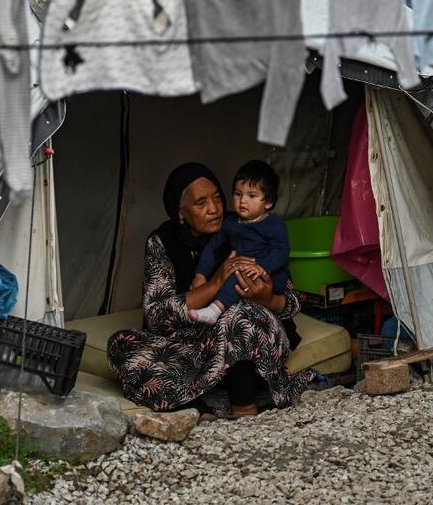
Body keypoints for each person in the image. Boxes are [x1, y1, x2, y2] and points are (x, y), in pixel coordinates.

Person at [107, 162, 314, 418]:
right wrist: (214, 284)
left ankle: (243, 407)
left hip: (249, 346)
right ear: (180, 212)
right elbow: (156, 315)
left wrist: (268, 298)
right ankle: (198, 409)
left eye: (217, 198)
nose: (214, 209)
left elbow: (293, 301)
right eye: (201, 203)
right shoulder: (162, 241)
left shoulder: (245, 224)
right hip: (194, 344)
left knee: (237, 318)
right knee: (121, 345)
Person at [189, 160, 290, 325]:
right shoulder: (230, 222)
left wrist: (261, 267)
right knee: (230, 273)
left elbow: (282, 251)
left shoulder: (274, 225)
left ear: (268, 202)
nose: (242, 200)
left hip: (271, 276)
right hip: (242, 271)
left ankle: (213, 311)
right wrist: (200, 275)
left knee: (237, 274)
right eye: (237, 194)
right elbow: (213, 247)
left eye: (251, 195)